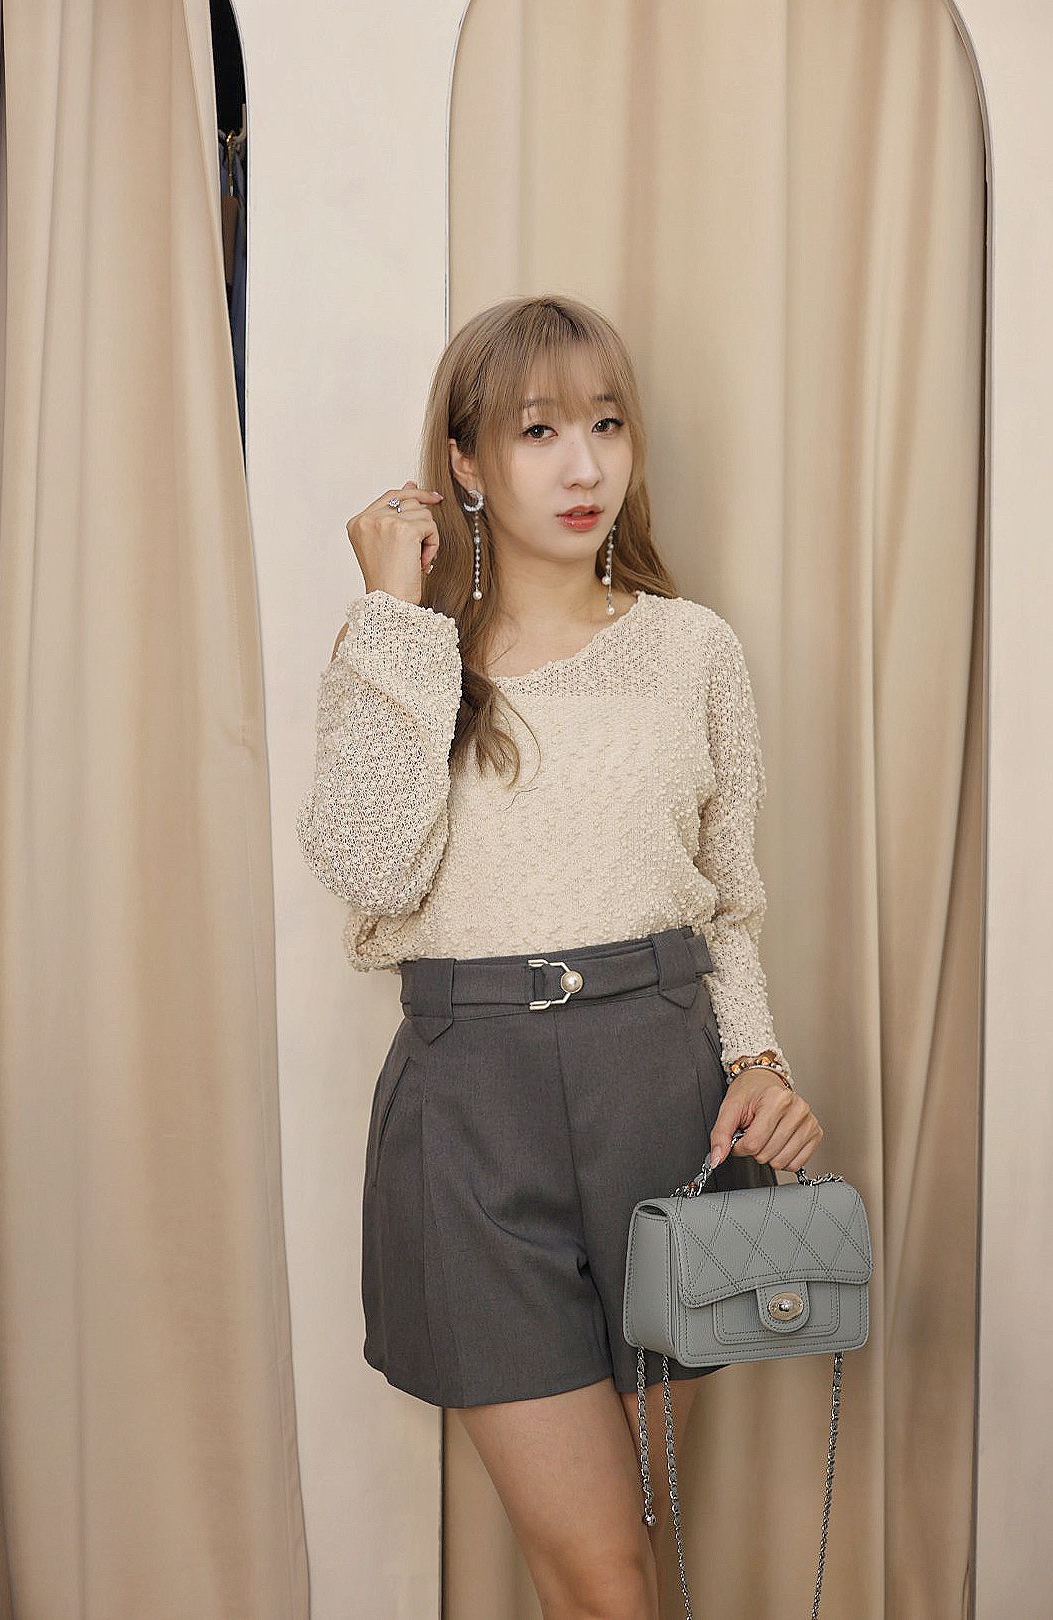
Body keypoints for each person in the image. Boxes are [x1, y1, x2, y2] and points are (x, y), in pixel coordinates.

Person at [297, 293, 823, 1620]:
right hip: (472, 1113)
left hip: (664, 1096)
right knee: (599, 1576)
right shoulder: (403, 656)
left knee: (630, 1554)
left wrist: (759, 1061)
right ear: (465, 462)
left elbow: (728, 906)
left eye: (607, 424)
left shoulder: (693, 649)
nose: (584, 465)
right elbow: (367, 868)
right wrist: (393, 612)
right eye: (538, 431)